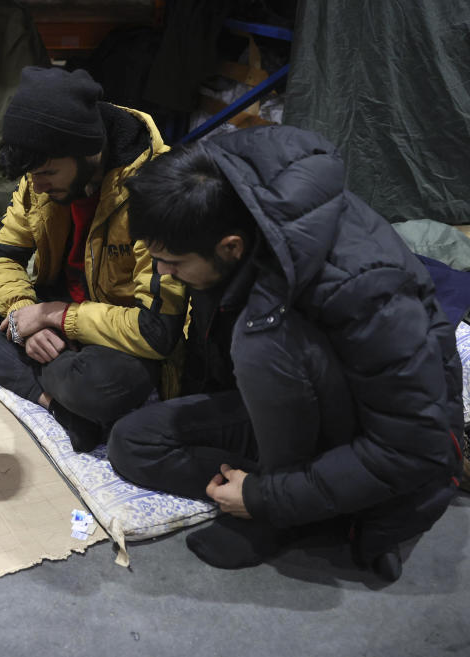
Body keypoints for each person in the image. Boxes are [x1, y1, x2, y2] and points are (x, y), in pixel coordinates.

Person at [111, 125, 463, 582]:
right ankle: (308, 499)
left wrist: (264, 498)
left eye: (173, 263)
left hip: (382, 434)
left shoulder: (365, 285)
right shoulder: (229, 205)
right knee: (133, 443)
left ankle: (292, 508)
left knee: (262, 341)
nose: (164, 273)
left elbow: (414, 446)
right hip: (306, 405)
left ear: (230, 247)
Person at [0, 67, 187, 451]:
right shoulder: (40, 174)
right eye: (32, 175)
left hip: (114, 336)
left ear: (89, 151)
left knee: (102, 386)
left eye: (46, 173)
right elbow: (3, 254)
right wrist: (22, 316)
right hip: (53, 312)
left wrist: (56, 317)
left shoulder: (156, 190)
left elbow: (157, 333)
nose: (38, 184)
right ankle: (54, 403)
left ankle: (64, 382)